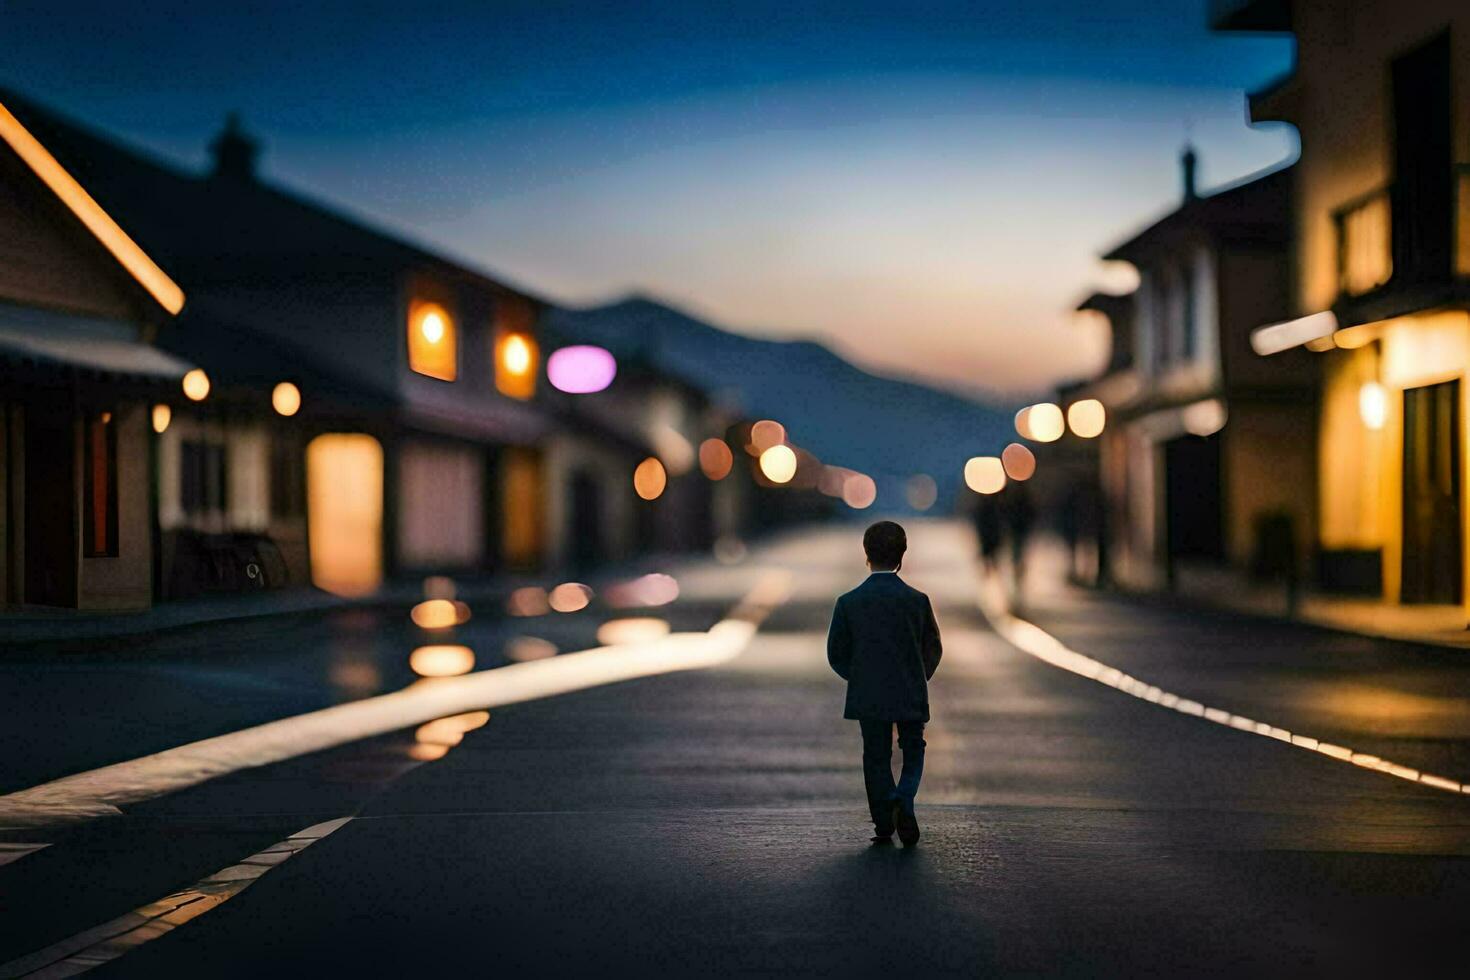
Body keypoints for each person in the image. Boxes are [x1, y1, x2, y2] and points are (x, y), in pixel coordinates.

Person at [826, 521, 943, 846]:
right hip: (909, 688)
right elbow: (932, 646)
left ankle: (883, 820)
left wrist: (860, 675)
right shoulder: (917, 600)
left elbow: (836, 652)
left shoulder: (848, 602)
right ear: (902, 556)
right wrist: (920, 674)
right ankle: (904, 797)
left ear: (866, 554)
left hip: (869, 692)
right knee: (913, 747)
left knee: (875, 754)